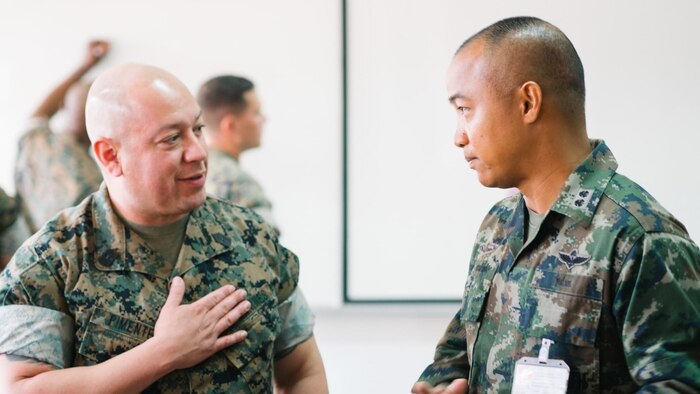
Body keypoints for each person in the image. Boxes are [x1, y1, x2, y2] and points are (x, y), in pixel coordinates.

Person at [412, 16, 700, 393]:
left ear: (528, 102)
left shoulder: (638, 238)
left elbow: (680, 384)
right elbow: (458, 352)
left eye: (465, 109)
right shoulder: (499, 226)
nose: (458, 136)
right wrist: (439, 383)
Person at [0, 63, 327, 393]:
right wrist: (163, 353)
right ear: (110, 155)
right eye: (172, 139)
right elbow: (25, 388)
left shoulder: (252, 237)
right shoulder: (52, 260)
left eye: (197, 129)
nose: (198, 151)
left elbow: (302, 369)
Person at [14, 41, 107, 233]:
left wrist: (85, 65)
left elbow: (43, 110)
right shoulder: (98, 184)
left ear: (63, 106)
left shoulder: (35, 141)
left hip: (20, 252)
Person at [197, 75, 279, 232]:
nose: (264, 119)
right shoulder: (240, 184)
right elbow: (269, 251)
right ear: (230, 125)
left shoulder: (194, 173)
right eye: (256, 113)